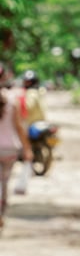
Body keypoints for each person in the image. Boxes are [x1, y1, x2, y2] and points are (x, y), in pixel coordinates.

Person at [0, 63, 34, 233]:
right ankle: (1, 212)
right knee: (4, 183)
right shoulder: (12, 100)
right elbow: (19, 127)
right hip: (9, 149)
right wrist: (27, 148)